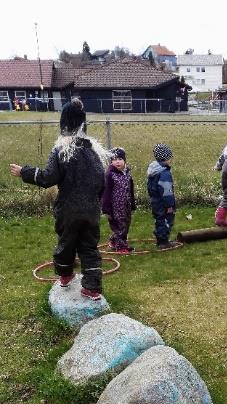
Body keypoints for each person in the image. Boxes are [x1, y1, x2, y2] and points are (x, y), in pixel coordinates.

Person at [10, 98, 108, 300]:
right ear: (83, 124)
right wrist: (95, 201)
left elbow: (48, 178)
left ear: (63, 123)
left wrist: (24, 172)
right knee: (89, 247)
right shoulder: (93, 152)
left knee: (67, 242)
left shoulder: (61, 150)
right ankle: (92, 287)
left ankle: (65, 275)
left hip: (68, 210)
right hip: (91, 210)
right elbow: (101, 181)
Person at [102, 147, 136, 254]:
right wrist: (106, 209)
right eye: (114, 159)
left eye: (120, 159)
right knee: (120, 226)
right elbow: (106, 193)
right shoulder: (110, 175)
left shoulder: (127, 173)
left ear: (124, 160)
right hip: (115, 207)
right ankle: (121, 247)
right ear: (111, 161)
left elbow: (131, 189)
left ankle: (113, 241)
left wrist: (133, 204)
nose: (117, 161)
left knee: (126, 224)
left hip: (127, 205)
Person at [147, 143, 179, 250]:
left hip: (155, 201)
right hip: (163, 203)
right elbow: (166, 191)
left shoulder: (153, 171)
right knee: (166, 221)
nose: (170, 160)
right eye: (169, 158)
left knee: (159, 219)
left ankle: (160, 240)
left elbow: (151, 188)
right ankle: (163, 242)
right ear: (164, 158)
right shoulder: (164, 173)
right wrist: (169, 205)